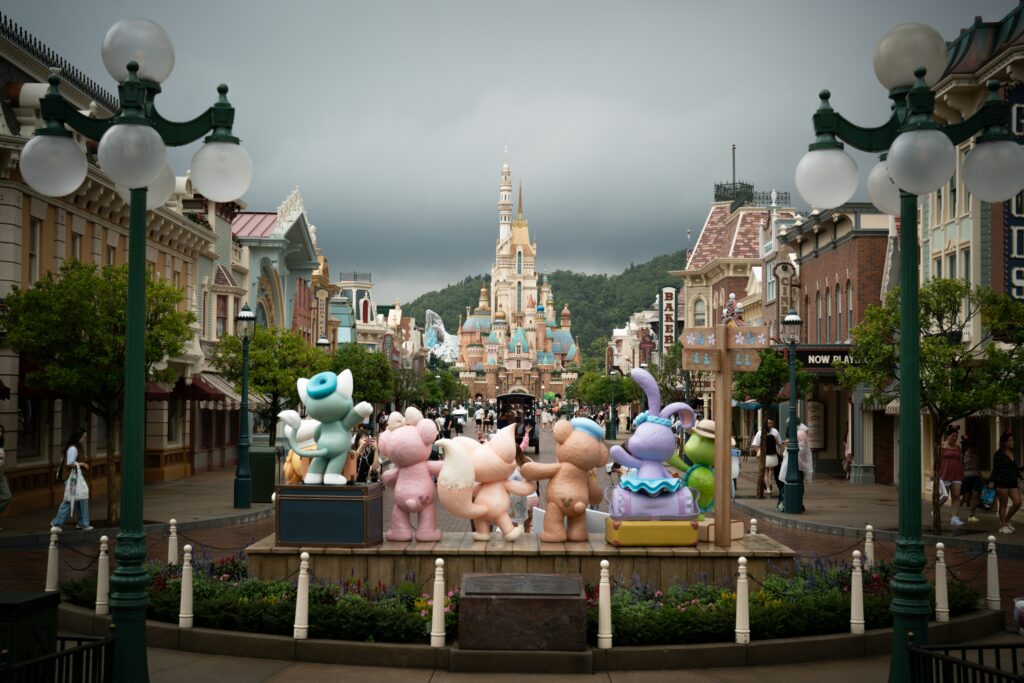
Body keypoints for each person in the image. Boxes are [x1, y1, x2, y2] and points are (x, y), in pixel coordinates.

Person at [51, 428, 91, 530]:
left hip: (75, 478)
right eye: (84, 437)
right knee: (70, 499)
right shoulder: (73, 449)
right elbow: (69, 463)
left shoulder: (78, 448)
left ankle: (82, 523)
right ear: (78, 438)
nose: (85, 439)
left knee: (80, 498)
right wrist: (82, 464)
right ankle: (57, 523)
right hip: (72, 478)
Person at [992, 432, 1020, 534]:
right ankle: (1002, 525)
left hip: (1012, 481)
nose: (1012, 442)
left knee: (1018, 502)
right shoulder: (999, 454)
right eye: (1010, 440)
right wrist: (992, 481)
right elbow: (995, 469)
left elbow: (1014, 468)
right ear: (1004, 442)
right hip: (1002, 481)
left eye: (1013, 440)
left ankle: (1007, 519)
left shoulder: (1013, 453)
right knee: (1003, 504)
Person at [938, 427, 965, 526]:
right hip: (945, 473)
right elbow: (937, 461)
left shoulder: (958, 448)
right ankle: (936, 508)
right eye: (953, 436)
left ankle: (955, 518)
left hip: (957, 474)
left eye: (956, 436)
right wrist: (935, 473)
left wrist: (962, 472)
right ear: (947, 436)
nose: (955, 438)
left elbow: (960, 461)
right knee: (944, 496)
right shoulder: (942, 446)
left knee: (956, 496)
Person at [750, 419, 782, 498]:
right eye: (769, 423)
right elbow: (779, 444)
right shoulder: (773, 435)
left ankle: (768, 488)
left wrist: (759, 453)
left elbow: (755, 445)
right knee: (771, 470)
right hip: (774, 456)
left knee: (766, 472)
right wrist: (781, 452)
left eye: (771, 423)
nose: (770, 424)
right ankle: (770, 483)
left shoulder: (761, 435)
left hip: (765, 457)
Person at [960, 438, 982, 523]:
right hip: (966, 478)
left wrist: (980, 477)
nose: (971, 449)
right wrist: (961, 478)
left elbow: (978, 467)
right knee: (965, 497)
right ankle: (955, 513)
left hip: (976, 477)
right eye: (969, 447)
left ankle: (972, 515)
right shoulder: (962, 456)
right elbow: (961, 467)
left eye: (972, 447)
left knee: (975, 496)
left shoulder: (976, 456)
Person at [0, 425, 9, 530]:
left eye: (1, 431)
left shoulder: (2, 445)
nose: (0, 433)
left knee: (7, 496)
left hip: (1, 473)